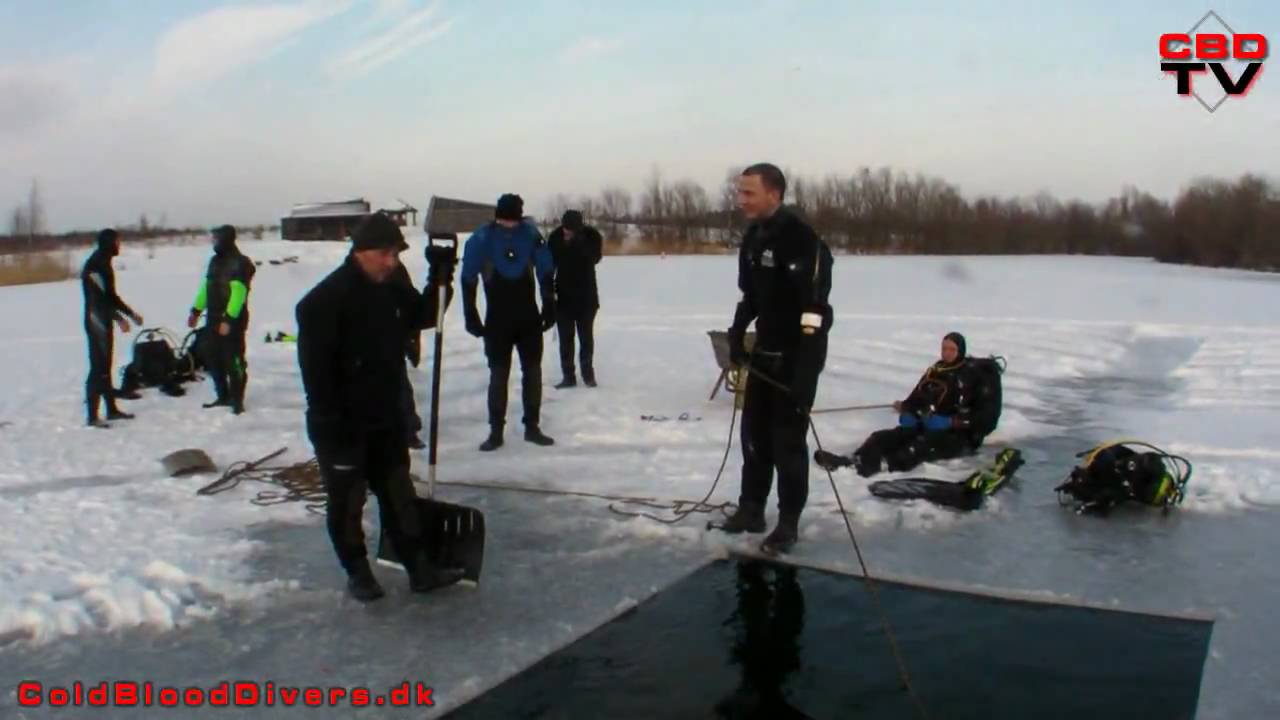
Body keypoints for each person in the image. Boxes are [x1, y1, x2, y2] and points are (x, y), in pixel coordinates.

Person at [295, 212, 463, 602]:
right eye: (384, 254)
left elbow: (423, 315)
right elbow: (316, 379)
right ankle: (358, 572)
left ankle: (419, 568)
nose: (391, 262)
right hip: (340, 425)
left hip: (385, 417)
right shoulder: (322, 303)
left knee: (398, 496)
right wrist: (332, 426)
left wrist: (441, 278)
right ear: (360, 252)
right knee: (348, 503)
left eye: (396, 254)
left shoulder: (392, 285)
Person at [713, 163, 834, 555]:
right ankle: (751, 508)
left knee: (788, 445)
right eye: (740, 191)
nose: (741, 199)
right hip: (763, 354)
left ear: (775, 194)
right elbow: (750, 296)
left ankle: (788, 522)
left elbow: (814, 313)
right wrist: (736, 334)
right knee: (754, 438)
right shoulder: (752, 237)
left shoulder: (803, 241)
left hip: (796, 356)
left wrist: (806, 372)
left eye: (749, 192)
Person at [815, 332, 993, 477]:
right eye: (944, 348)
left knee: (917, 446)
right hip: (927, 425)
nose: (946, 353)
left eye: (951, 349)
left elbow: (986, 419)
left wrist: (951, 422)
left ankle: (883, 467)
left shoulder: (972, 377)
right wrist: (907, 408)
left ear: (960, 351)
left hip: (957, 436)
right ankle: (854, 461)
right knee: (881, 437)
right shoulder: (937, 370)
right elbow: (917, 397)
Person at [459, 193, 557, 451]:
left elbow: (546, 268)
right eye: (505, 221)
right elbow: (468, 276)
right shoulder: (482, 237)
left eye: (513, 221)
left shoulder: (530, 234)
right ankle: (495, 431)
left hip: (528, 318)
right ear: (497, 216)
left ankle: (532, 427)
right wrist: (470, 312)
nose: (509, 226)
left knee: (533, 373)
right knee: (498, 375)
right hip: (498, 322)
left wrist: (549, 303)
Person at [187, 225, 255, 415]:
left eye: (216, 239)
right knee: (212, 357)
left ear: (226, 239)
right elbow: (206, 288)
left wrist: (229, 319)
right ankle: (222, 395)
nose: (213, 242)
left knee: (233, 359)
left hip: (232, 320)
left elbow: (238, 294)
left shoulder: (241, 263)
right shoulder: (214, 262)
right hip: (213, 318)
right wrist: (195, 311)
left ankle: (237, 399)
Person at [80, 228, 144, 427]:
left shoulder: (104, 263)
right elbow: (98, 299)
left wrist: (131, 314)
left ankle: (111, 410)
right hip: (96, 320)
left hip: (103, 318)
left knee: (105, 366)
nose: (119, 245)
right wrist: (119, 318)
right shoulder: (95, 266)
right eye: (117, 242)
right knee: (98, 367)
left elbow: (111, 296)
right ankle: (92, 416)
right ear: (109, 242)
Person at [547, 209, 603, 388]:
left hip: (587, 297)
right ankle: (568, 376)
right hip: (563, 297)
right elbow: (550, 264)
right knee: (565, 339)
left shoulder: (592, 236)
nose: (567, 232)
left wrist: (577, 243)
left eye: (571, 230)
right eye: (565, 228)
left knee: (586, 338)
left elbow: (594, 258)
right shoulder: (555, 237)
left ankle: (588, 375)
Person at [391, 261, 426, 450]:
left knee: (401, 388)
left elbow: (413, 308)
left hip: (395, 338)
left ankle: (408, 431)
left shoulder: (397, 271)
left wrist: (411, 339)